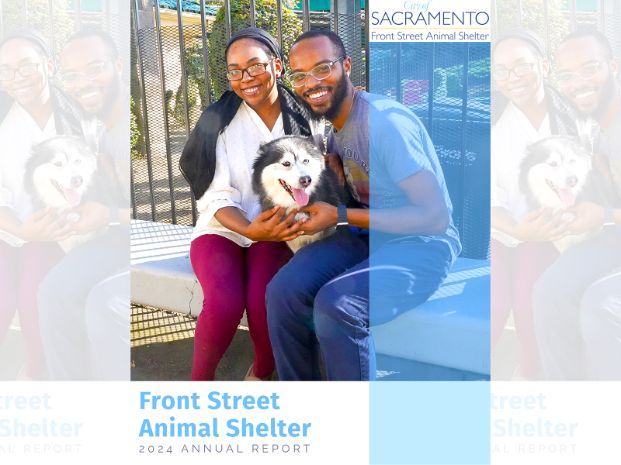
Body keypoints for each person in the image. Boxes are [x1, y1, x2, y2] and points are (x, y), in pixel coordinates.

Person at [265, 30, 461, 381]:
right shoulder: (332, 127)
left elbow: (435, 218)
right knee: (282, 292)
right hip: (368, 234)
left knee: (338, 306)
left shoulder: (385, 123)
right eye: (300, 75)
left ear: (347, 66)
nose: (312, 83)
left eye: (323, 68)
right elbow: (362, 195)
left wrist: (340, 214)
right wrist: (333, 192)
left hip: (423, 245)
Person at [179, 28, 323, 381]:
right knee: (225, 303)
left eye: (255, 66)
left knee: (266, 302)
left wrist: (274, 227)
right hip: (222, 228)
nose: (246, 79)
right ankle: (198, 385)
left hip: (277, 230)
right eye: (235, 70)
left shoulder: (307, 119)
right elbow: (215, 194)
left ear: (276, 66)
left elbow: (318, 181)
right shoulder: (220, 121)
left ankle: (259, 376)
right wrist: (246, 227)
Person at [37, 30, 131, 380]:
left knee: (105, 304)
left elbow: (173, 211)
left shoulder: (138, 123)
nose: (83, 83)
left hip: (156, 236)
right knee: (53, 290)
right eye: (72, 75)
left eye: (95, 69)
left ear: (118, 65)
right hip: (118, 233)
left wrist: (108, 214)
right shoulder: (91, 123)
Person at [533, 29, 621, 380]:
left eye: (590, 68)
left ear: (613, 65)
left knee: (602, 305)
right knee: (549, 289)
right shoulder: (596, 127)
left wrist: (603, 215)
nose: (578, 82)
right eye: (568, 75)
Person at [490, 29, 577, 379]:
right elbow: (485, 197)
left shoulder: (571, 117)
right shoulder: (492, 120)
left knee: (530, 306)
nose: (511, 78)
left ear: (543, 65)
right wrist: (514, 228)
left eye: (521, 66)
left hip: (546, 234)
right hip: (497, 229)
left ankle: (529, 382)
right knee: (491, 305)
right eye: (501, 70)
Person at [0, 29, 81, 379]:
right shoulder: (5, 116)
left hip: (54, 232)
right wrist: (17, 227)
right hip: (7, 227)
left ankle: (35, 373)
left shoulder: (75, 114)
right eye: (5, 69)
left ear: (48, 65)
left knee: (35, 301)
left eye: (26, 66)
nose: (16, 77)